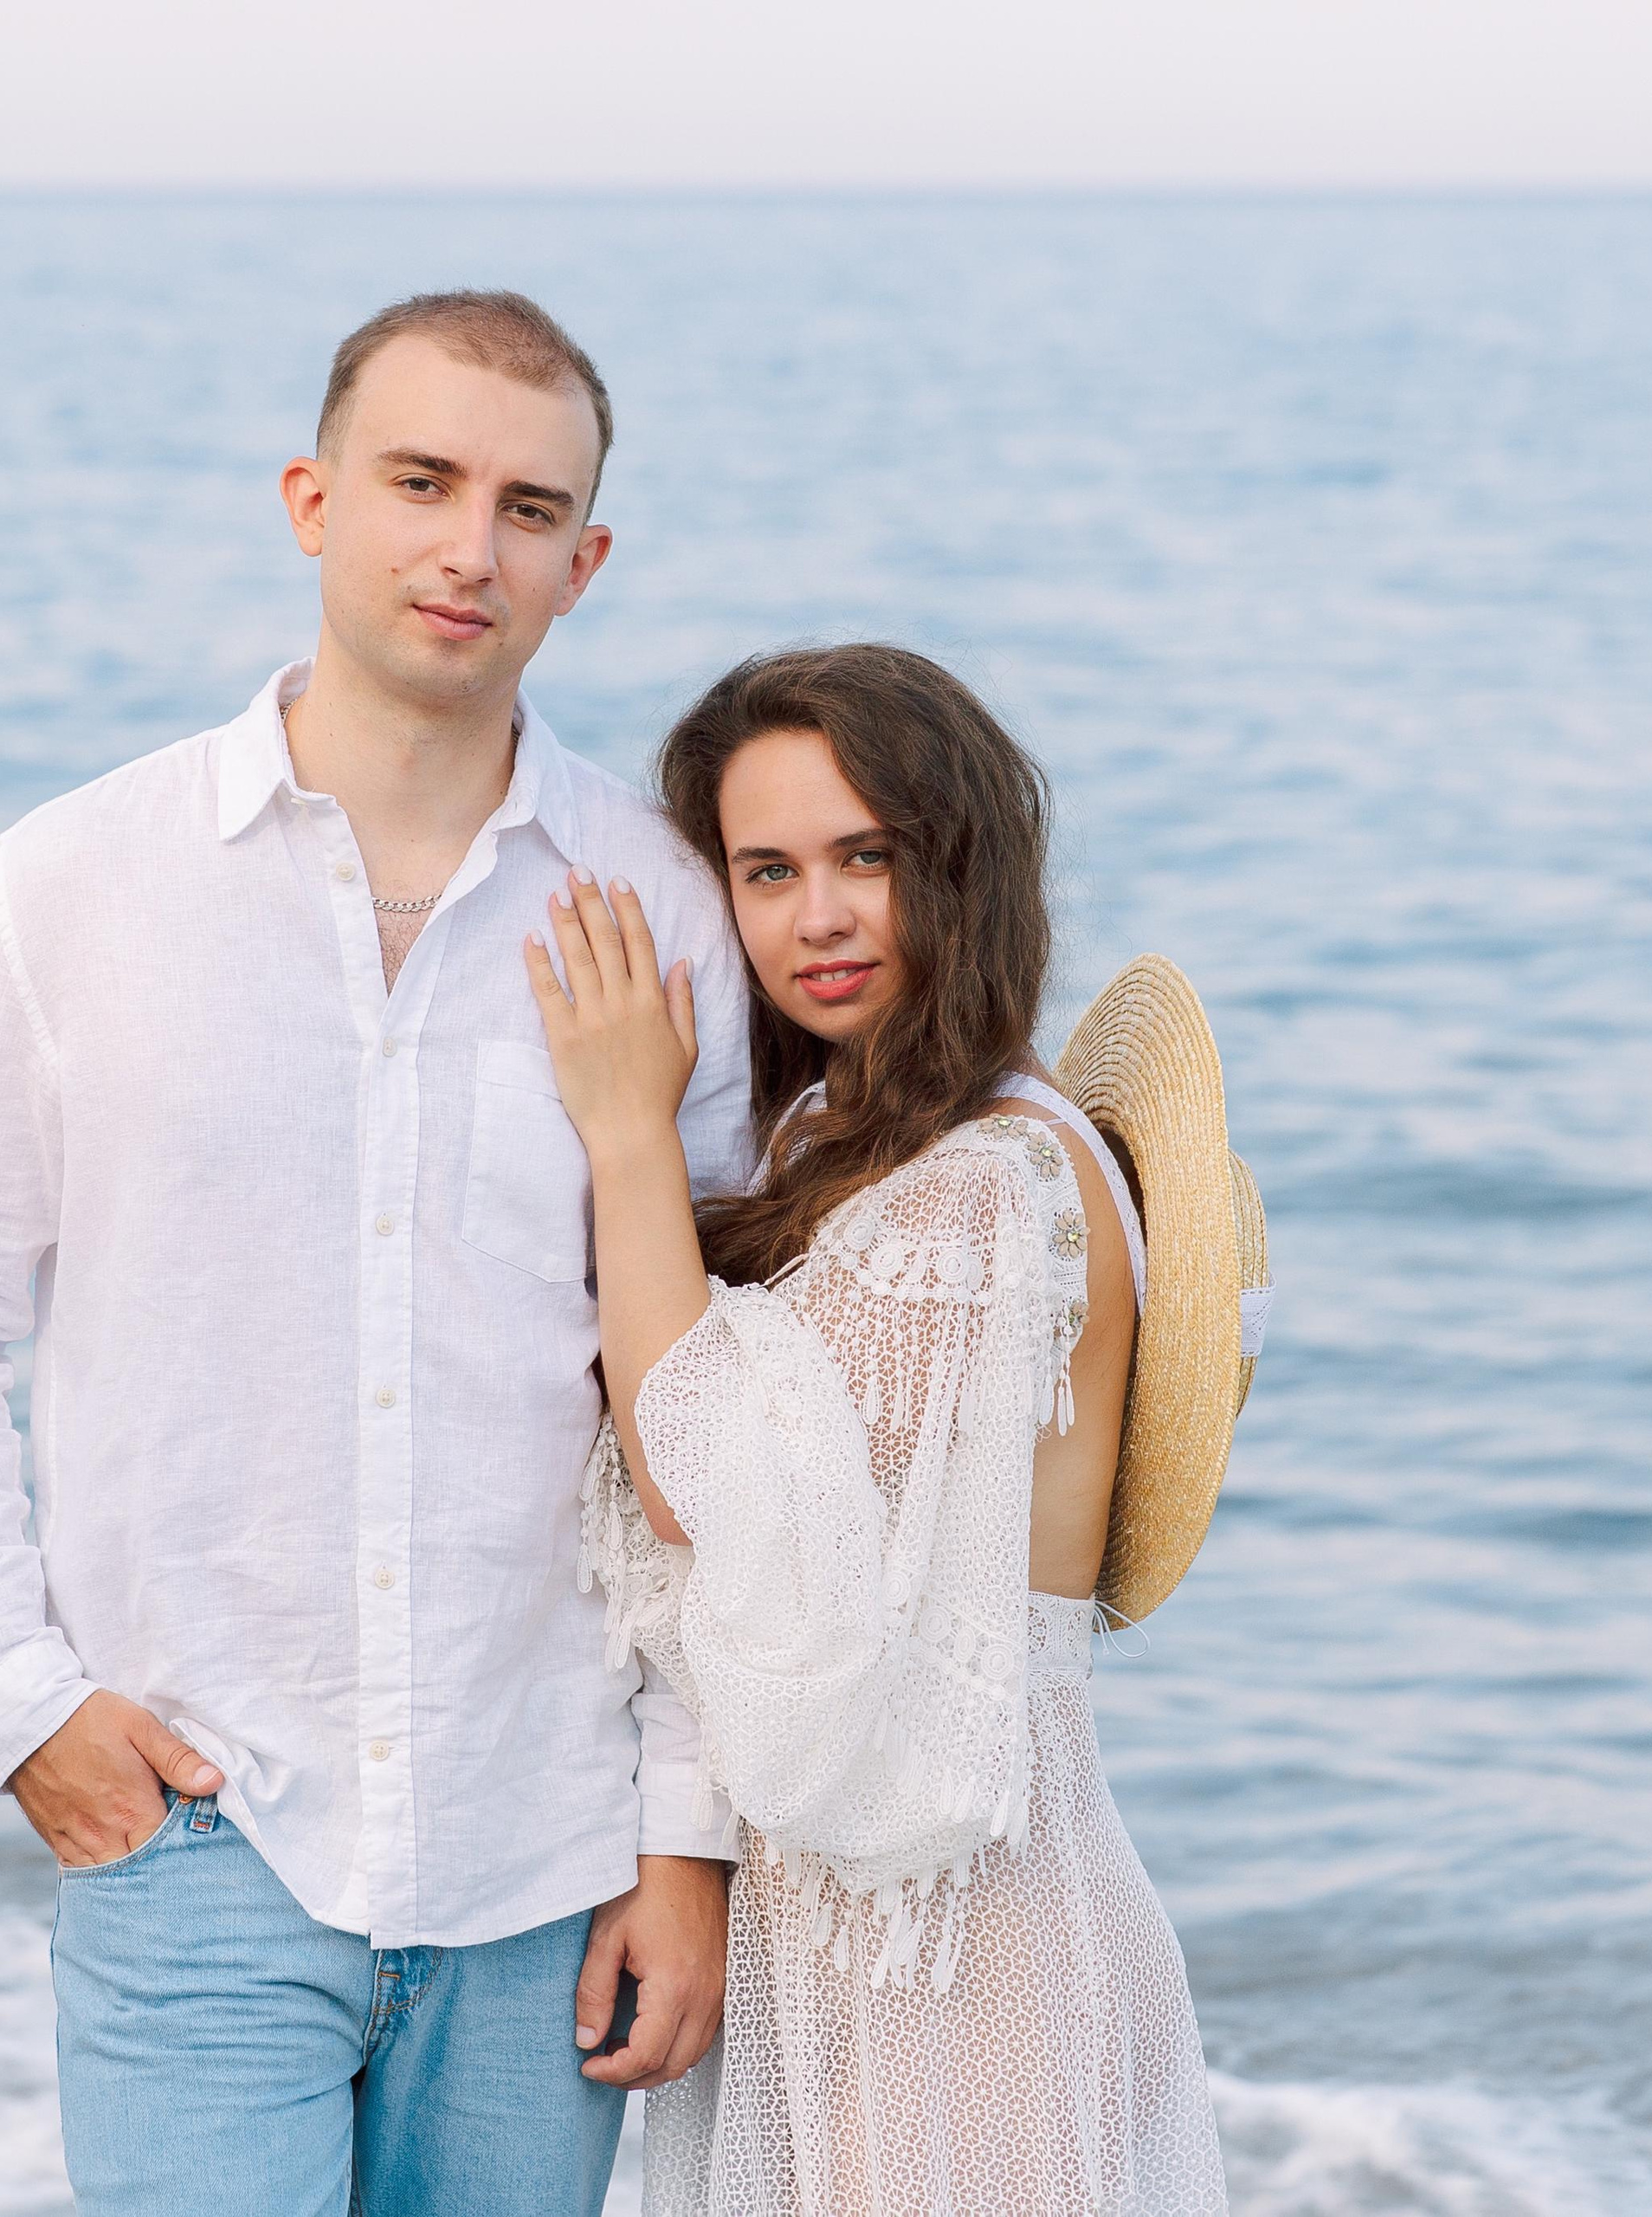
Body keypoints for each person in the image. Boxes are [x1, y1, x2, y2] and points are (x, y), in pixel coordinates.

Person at [0, 290, 755, 2217]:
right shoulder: (71, 880)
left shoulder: (662, 904)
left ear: (582, 565)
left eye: (525, 508)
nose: (464, 546)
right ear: (310, 499)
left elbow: (709, 1408)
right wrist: (16, 1699)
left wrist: (688, 1835)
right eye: (418, 482)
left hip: (548, 1862)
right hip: (195, 1823)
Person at [524, 643, 1240, 2214]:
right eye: (767, 871)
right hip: (866, 1914)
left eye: (870, 858)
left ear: (967, 870)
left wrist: (628, 1122)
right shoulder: (849, 1134)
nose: (818, 918)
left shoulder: (987, 1190)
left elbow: (694, 1475)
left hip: (961, 1930)